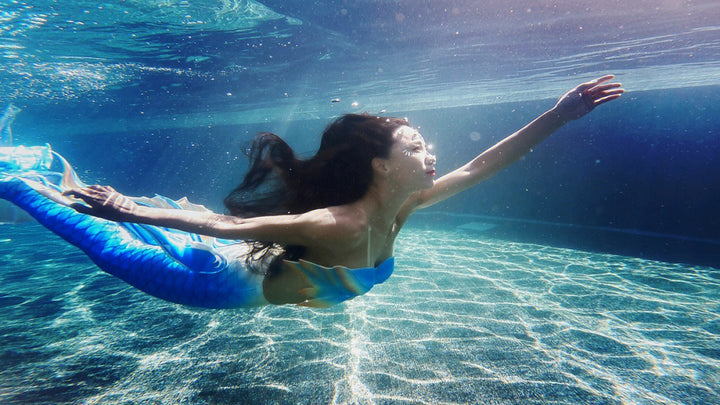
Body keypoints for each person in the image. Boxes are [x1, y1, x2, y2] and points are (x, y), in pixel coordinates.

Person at [61, 75, 624, 306]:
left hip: (244, 264)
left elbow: (481, 166)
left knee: (172, 232)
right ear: (380, 166)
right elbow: (227, 225)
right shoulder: (340, 222)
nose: (431, 155)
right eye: (415, 147)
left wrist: (559, 115)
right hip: (214, 287)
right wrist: (125, 209)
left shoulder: (406, 205)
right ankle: (26, 175)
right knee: (82, 223)